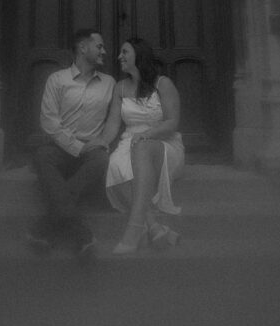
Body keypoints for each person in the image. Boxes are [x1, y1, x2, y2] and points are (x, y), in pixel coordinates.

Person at [28, 28, 115, 258]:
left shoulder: (109, 83)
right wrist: (76, 146)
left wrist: (102, 141)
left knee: (101, 159)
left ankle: (43, 228)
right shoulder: (57, 80)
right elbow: (49, 121)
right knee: (42, 156)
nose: (104, 52)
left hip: (91, 152)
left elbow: (114, 119)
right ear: (82, 48)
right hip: (60, 147)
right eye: (99, 46)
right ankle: (81, 233)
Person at [103, 37, 185, 255]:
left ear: (139, 56)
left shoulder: (163, 84)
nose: (119, 56)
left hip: (162, 143)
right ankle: (155, 226)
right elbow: (113, 124)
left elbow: (172, 122)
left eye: (124, 52)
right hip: (129, 141)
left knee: (141, 146)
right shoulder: (120, 88)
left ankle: (134, 231)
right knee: (115, 167)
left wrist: (148, 134)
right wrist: (99, 142)